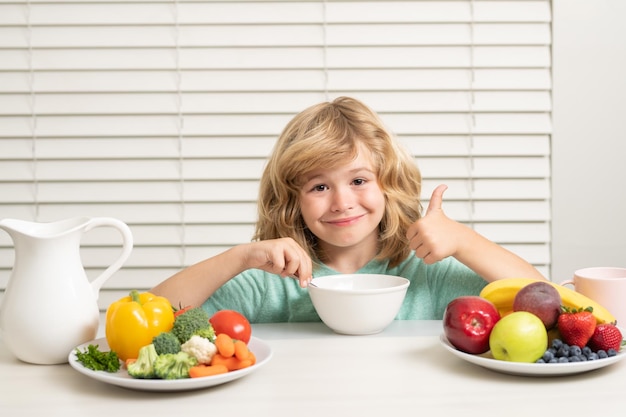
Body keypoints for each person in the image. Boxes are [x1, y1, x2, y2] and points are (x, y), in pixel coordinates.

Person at [151, 96, 546, 322]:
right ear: (292, 200)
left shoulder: (426, 272)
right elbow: (151, 319)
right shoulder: (269, 281)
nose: (342, 203)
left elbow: (545, 304)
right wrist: (240, 257)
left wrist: (464, 240)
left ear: (387, 183)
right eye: (319, 186)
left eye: (359, 180)